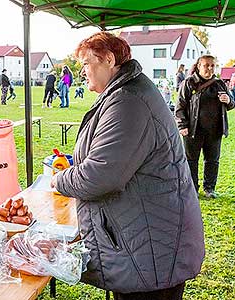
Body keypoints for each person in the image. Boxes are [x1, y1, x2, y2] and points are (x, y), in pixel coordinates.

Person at [51, 31, 204, 300]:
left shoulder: (128, 100)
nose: (82, 71)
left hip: (151, 252)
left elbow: (100, 175)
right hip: (146, 243)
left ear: (108, 60)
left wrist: (60, 179)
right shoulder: (124, 92)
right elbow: (114, 155)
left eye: (87, 63)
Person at [175, 55, 234, 198]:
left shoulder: (219, 83)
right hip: (193, 130)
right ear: (199, 66)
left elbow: (232, 103)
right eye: (206, 65)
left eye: (212, 65)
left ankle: (210, 189)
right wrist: (182, 125)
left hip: (214, 131)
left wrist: (228, 100)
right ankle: (192, 189)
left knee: (213, 161)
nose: (209, 68)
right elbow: (180, 106)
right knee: (191, 161)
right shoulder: (189, 83)